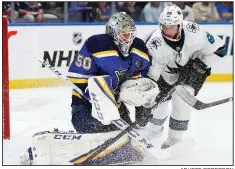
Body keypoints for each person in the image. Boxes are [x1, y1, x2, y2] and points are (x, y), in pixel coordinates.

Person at [20, 12, 160, 165]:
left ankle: (109, 151)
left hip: (117, 108)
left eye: (131, 34)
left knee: (124, 139)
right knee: (97, 132)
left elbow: (143, 81)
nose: (129, 39)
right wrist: (95, 95)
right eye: (124, 34)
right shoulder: (96, 45)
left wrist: (143, 107)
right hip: (85, 106)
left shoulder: (139, 49)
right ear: (113, 32)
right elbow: (77, 78)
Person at [145, 5, 226, 151]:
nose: (167, 30)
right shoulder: (154, 44)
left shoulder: (195, 31)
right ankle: (153, 131)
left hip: (193, 71)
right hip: (165, 74)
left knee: (181, 101)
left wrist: (201, 65)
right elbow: (152, 76)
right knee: (158, 105)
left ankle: (174, 139)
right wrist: (149, 97)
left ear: (180, 25)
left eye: (172, 27)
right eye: (165, 26)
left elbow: (221, 49)